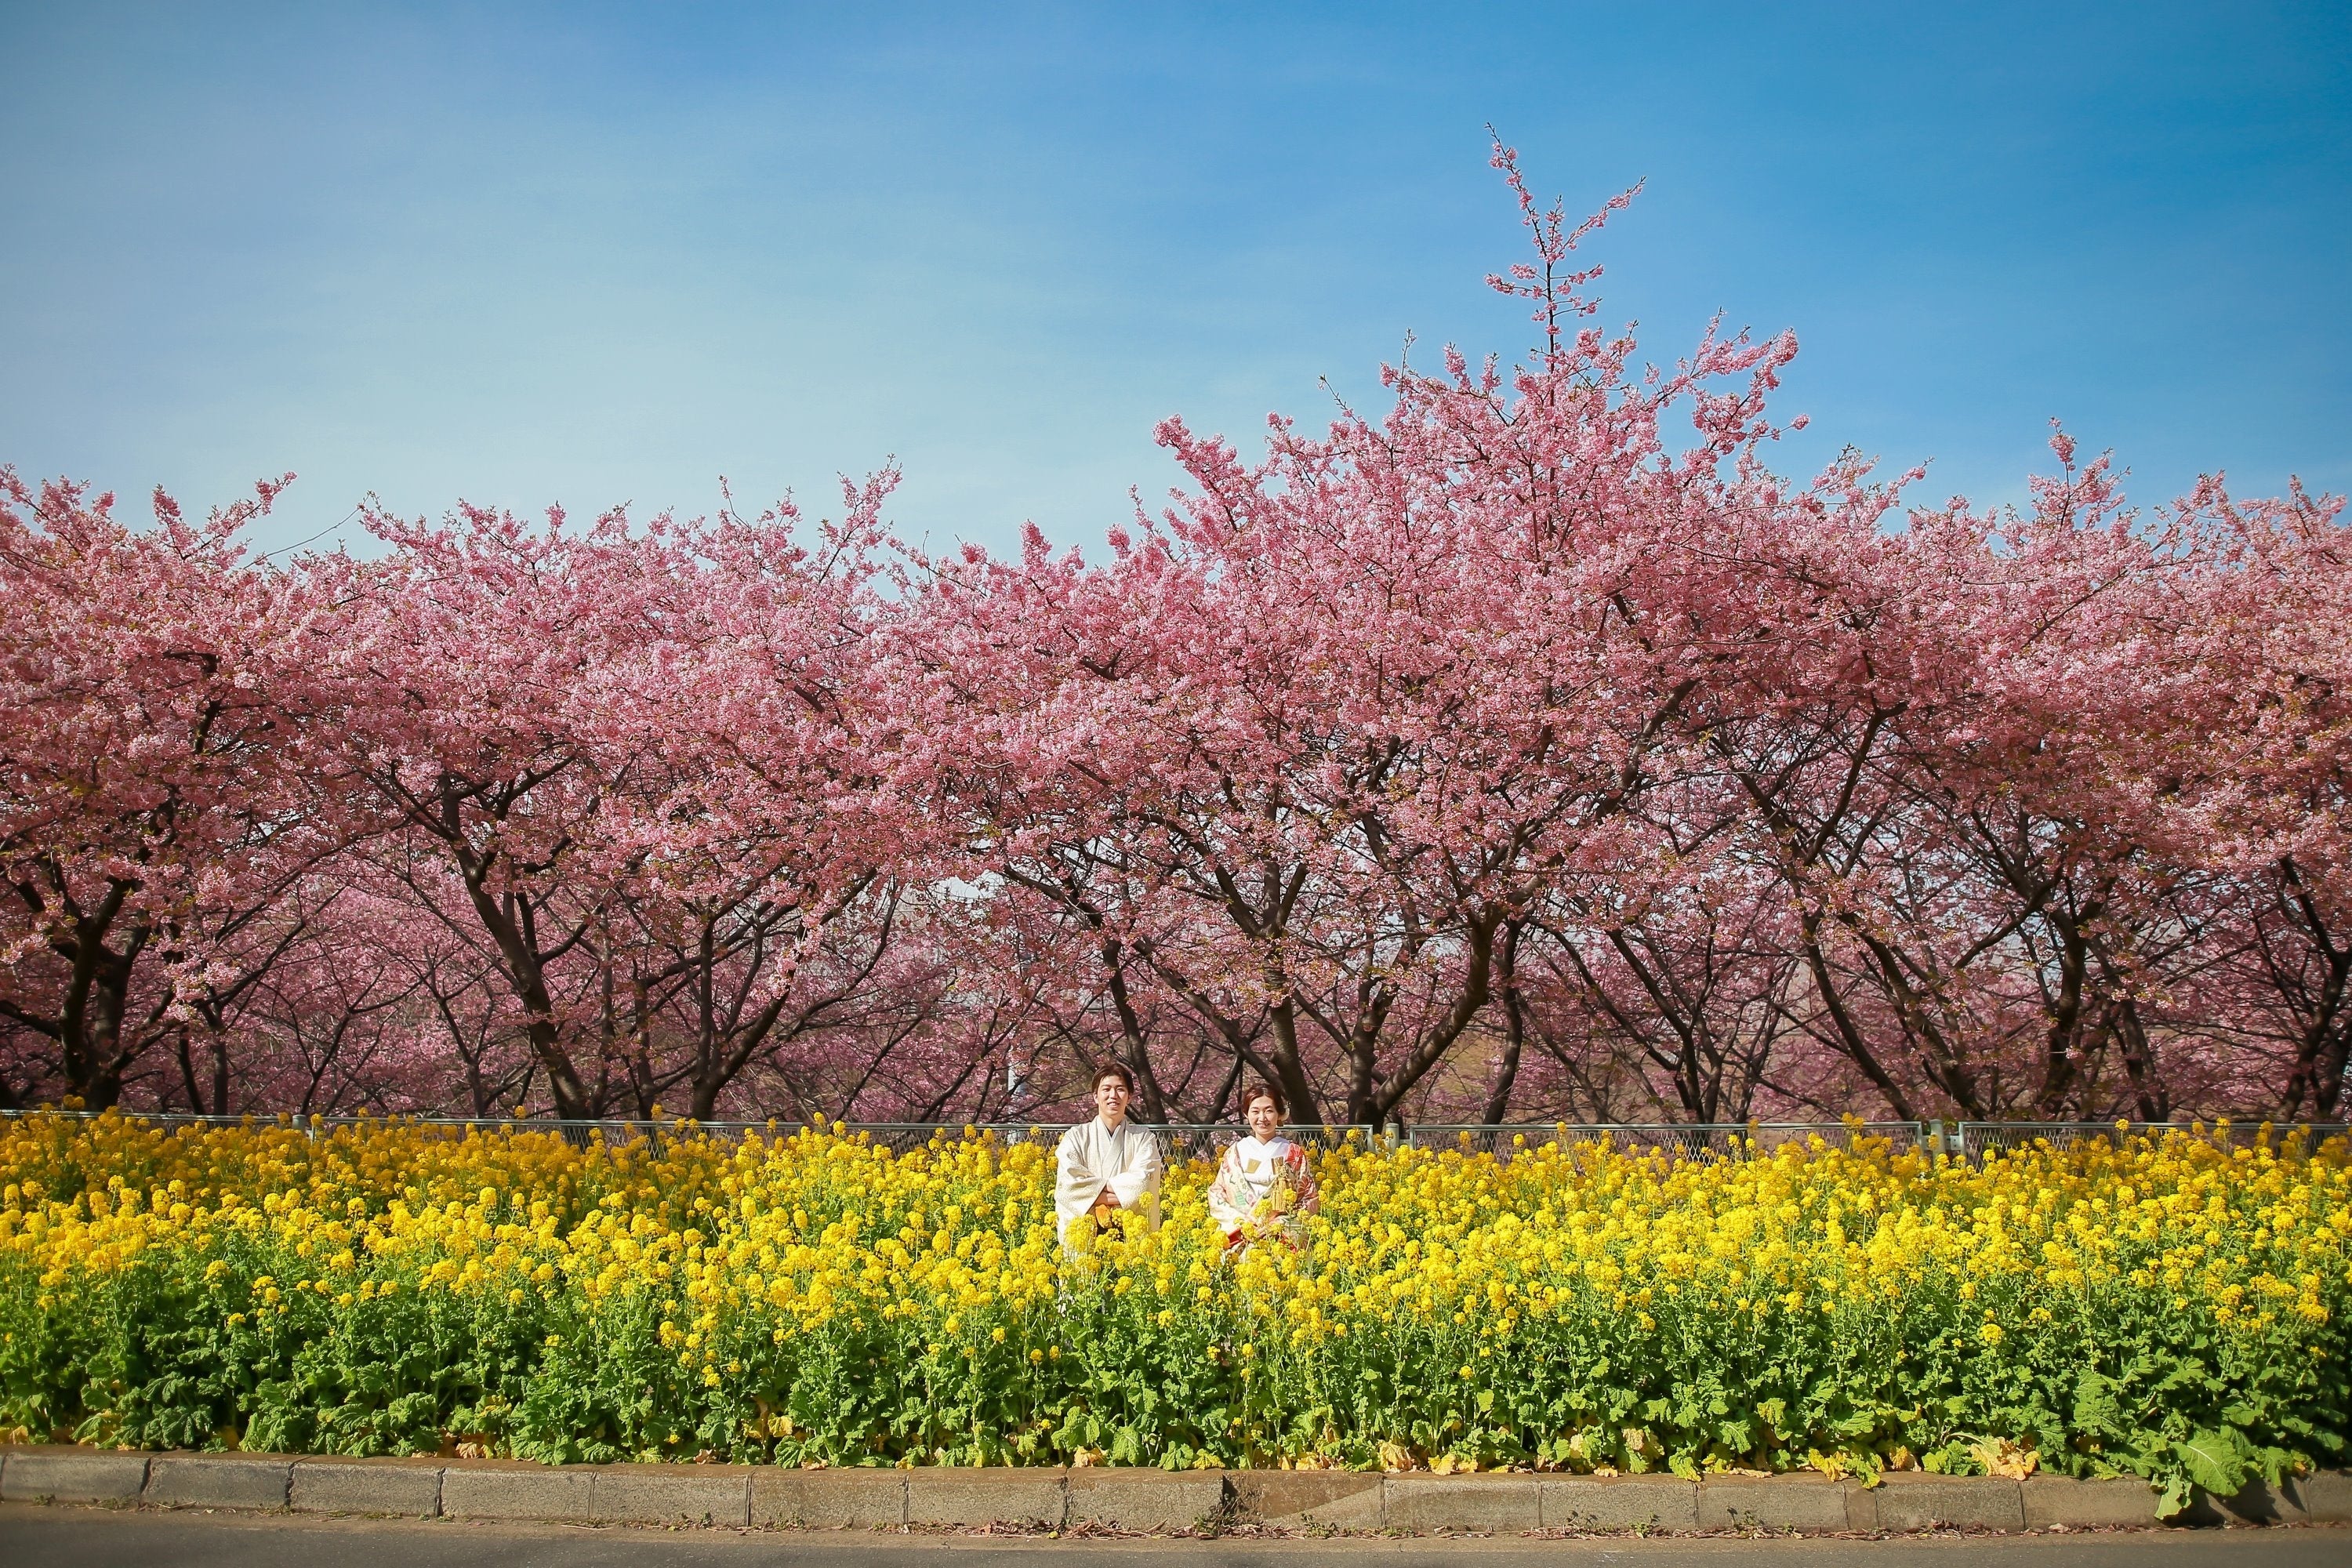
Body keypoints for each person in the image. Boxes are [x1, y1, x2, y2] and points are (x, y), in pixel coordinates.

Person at [1053, 1064, 1163, 1245]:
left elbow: (1144, 1187)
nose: (1113, 1096)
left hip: (1129, 1229)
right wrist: (1126, 1192)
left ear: (1129, 1097)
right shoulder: (1075, 1137)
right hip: (1085, 1229)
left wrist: (1091, 1192)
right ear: (1095, 1096)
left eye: (1120, 1089)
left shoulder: (1144, 1138)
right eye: (1106, 1089)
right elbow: (1069, 1188)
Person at [1205, 1083, 1319, 1254]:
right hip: (1241, 1235)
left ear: (1280, 1114)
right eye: (1255, 1111)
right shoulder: (1234, 1153)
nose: (1262, 1118)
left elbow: (1308, 1198)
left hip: (1280, 1240)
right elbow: (1217, 1194)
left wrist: (1278, 1225)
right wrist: (1242, 1224)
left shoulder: (1294, 1154)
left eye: (1269, 1110)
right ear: (1246, 1114)